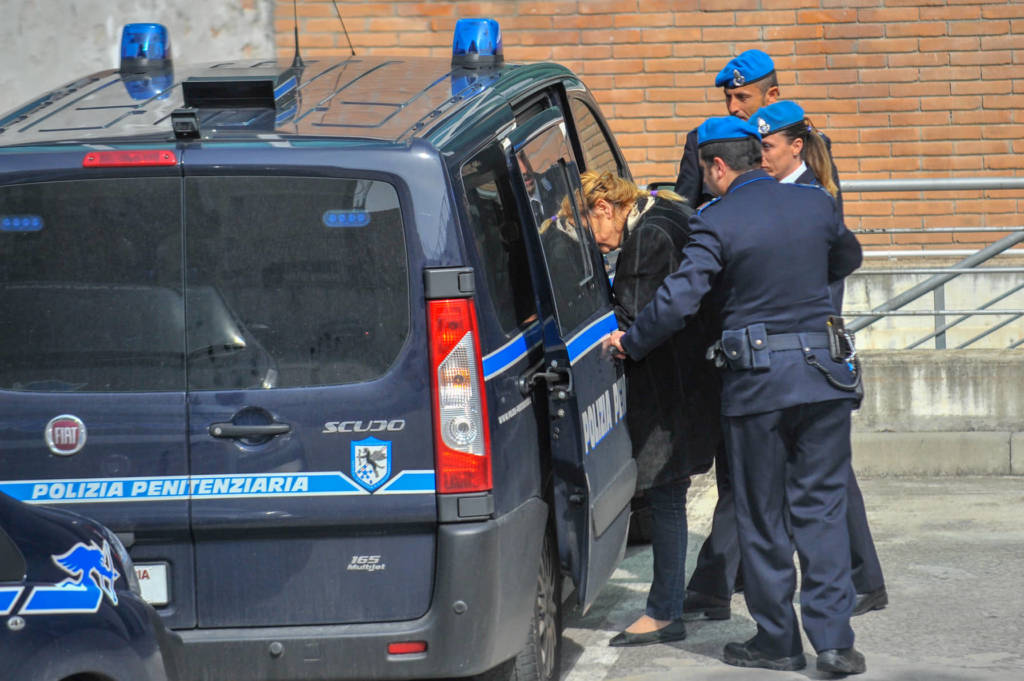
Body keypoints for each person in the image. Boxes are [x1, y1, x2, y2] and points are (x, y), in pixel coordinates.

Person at [609, 116, 867, 674]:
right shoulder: (816, 203)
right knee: (822, 509)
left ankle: (779, 642)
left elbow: (679, 300)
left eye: (705, 172)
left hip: (758, 384)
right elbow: (848, 259)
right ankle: (834, 643)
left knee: (762, 514)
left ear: (718, 167)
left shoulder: (716, 220)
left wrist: (631, 342)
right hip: (825, 378)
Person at [568, 171, 721, 647]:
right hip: (699, 375)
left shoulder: (647, 239)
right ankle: (706, 594)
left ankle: (664, 612)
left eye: (590, 231)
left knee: (667, 493)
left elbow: (632, 316)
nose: (597, 246)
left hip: (670, 386)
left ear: (604, 208)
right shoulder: (667, 210)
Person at [753, 99, 888, 616]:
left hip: (810, 349)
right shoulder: (785, 191)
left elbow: (828, 279)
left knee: (827, 477)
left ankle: (860, 579)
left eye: (767, 146)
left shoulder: (814, 197)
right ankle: (856, 577)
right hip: (798, 351)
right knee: (817, 473)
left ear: (795, 146)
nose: (760, 156)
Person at [674, 49, 780, 209]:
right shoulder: (703, 141)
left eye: (742, 97)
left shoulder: (796, 139)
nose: (732, 107)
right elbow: (682, 211)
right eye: (728, 97)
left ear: (771, 95)